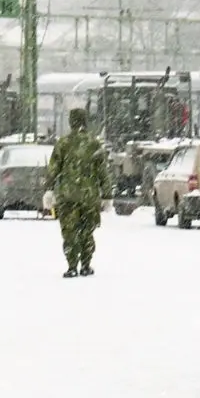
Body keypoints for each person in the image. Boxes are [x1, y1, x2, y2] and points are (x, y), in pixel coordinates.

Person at [45, 108, 112, 277]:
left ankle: (72, 266)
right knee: (87, 232)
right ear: (85, 121)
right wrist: (107, 194)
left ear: (70, 122)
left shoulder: (63, 143)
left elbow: (53, 169)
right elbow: (102, 171)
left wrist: (48, 189)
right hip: (89, 197)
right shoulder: (94, 144)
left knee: (69, 232)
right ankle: (86, 265)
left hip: (67, 196)